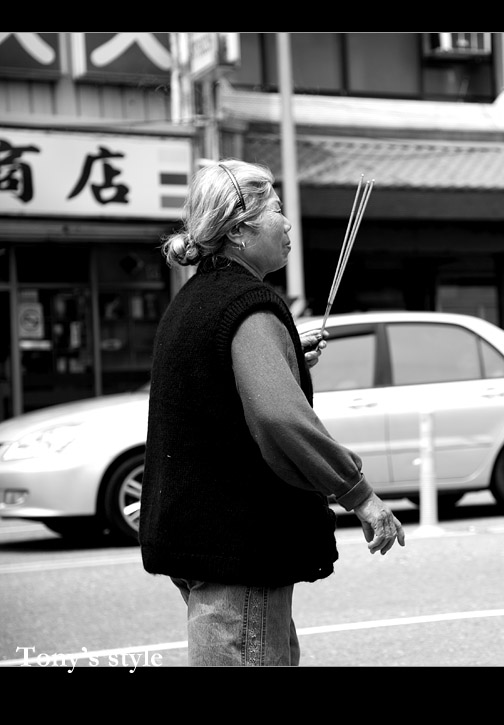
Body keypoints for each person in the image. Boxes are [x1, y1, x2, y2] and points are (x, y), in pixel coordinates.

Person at [139, 159, 406, 667]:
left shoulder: (196, 298)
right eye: (276, 210)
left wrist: (284, 353)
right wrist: (359, 494)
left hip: (199, 538)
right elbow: (281, 419)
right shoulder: (248, 304)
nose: (287, 224)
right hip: (239, 545)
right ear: (239, 231)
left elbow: (215, 384)